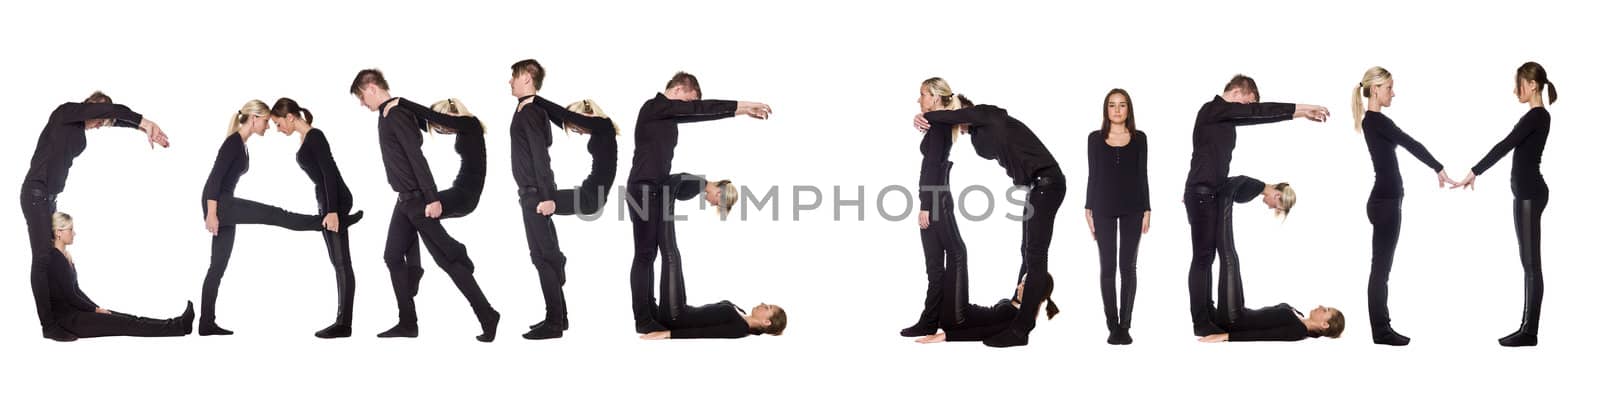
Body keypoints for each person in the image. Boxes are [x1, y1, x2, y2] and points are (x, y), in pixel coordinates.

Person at [350, 69, 499, 342]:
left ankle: (486, 312)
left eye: (361, 96)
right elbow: (427, 123)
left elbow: (416, 157)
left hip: (419, 197)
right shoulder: (389, 115)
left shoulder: (395, 114)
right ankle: (408, 321)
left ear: (370, 87)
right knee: (393, 256)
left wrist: (431, 198)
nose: (362, 103)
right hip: (404, 198)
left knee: (447, 260)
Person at [1184, 75, 1330, 337]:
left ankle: (1208, 314)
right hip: (1202, 193)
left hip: (1206, 192)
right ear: (1239, 92)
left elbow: (1258, 116)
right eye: (1248, 103)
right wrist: (1303, 108)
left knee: (1207, 258)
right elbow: (1258, 111)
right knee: (1203, 259)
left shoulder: (1224, 117)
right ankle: (1201, 320)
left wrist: (1298, 116)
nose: (1247, 110)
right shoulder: (1214, 109)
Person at [627, 72, 771, 334]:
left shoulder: (666, 114)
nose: (689, 108)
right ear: (681, 89)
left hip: (652, 189)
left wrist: (737, 113)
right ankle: (643, 318)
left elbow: (698, 113)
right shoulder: (655, 106)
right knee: (645, 255)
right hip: (644, 188)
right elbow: (699, 109)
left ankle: (650, 313)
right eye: (689, 101)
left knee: (649, 254)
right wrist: (743, 106)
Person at [915, 96, 1063, 348]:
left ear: (966, 110)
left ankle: (1021, 329)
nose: (955, 119)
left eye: (956, 113)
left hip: (1047, 183)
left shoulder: (987, 114)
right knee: (1027, 253)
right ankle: (1022, 312)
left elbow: (954, 116)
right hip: (1035, 188)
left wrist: (926, 116)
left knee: (1035, 256)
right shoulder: (976, 135)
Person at [22, 91, 169, 341]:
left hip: (49, 198)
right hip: (36, 192)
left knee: (58, 256)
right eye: (100, 117)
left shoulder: (80, 126)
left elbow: (116, 119)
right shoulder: (66, 112)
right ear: (91, 106)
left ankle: (66, 309)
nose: (100, 125)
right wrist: (144, 121)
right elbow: (112, 113)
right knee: (43, 258)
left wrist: (140, 129)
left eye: (103, 122)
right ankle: (48, 325)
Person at [198, 100, 337, 336]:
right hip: (220, 204)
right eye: (265, 122)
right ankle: (320, 222)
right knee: (274, 214)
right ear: (254, 118)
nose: (268, 126)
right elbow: (214, 179)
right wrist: (211, 214)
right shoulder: (233, 143)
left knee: (217, 265)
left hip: (223, 204)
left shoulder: (240, 143)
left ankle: (206, 323)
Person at [1453, 62, 1557, 347]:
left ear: (1532, 85)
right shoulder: (1534, 117)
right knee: (1529, 264)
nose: (1515, 90)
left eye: (1519, 84)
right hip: (1527, 194)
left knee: (1531, 266)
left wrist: (1474, 171)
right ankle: (1527, 329)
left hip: (1530, 195)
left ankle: (1529, 332)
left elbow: (1505, 145)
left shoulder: (1537, 116)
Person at [1350, 67, 1454, 346]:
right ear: (1375, 90)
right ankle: (1381, 331)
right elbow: (1411, 143)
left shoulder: (1373, 121)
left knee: (1381, 270)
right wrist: (1438, 167)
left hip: (1384, 201)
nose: (1393, 93)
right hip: (1385, 203)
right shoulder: (1376, 120)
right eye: (1389, 88)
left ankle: (1381, 329)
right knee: (1380, 271)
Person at [1198, 175, 1345, 343]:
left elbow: (1262, 336)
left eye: (1325, 309)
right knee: (1231, 259)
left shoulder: (1298, 331)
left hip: (1234, 321)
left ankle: (1224, 197)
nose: (1320, 306)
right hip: (1239, 312)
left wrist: (1226, 337)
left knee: (1229, 257)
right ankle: (1214, 199)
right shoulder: (1300, 318)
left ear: (1324, 325)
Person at [636, 173, 783, 340]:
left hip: (676, 317)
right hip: (681, 309)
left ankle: (667, 193)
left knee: (671, 254)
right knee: (670, 254)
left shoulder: (739, 329)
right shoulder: (741, 313)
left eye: (768, 307)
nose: (764, 303)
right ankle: (666, 195)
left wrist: (667, 335)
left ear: (766, 322)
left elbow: (703, 333)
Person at [269, 97, 365, 338]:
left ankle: (344, 324)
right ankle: (347, 220)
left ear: (290, 117)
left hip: (336, 201)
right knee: (337, 263)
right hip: (327, 201)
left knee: (342, 264)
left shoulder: (315, 136)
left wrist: (333, 211)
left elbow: (329, 173)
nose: (278, 130)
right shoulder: (306, 138)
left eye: (279, 124)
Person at [46, 212, 193, 339]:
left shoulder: (65, 256)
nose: (74, 233)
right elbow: (71, 296)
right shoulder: (56, 259)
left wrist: (96, 307)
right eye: (70, 229)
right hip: (70, 320)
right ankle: (179, 326)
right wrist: (95, 310)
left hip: (78, 312)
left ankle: (179, 325)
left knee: (130, 319)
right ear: (58, 232)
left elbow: (77, 290)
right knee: (128, 324)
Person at [900, 77, 969, 338]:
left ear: (936, 97)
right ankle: (930, 320)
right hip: (934, 197)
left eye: (923, 95)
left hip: (936, 198)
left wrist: (927, 205)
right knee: (934, 264)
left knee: (956, 253)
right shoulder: (939, 123)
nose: (919, 99)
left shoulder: (940, 124)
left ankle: (955, 316)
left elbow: (934, 167)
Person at [1083, 88, 1150, 345]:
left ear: (1129, 109)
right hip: (1103, 207)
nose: (1117, 110)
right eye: (1112, 105)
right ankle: (1112, 325)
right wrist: (1088, 208)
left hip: (1134, 207)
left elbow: (1143, 174)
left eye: (1122, 105)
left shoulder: (1140, 138)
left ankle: (1126, 324)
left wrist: (1147, 209)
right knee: (1108, 267)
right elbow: (1093, 175)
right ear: (1106, 109)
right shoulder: (1094, 138)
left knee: (1128, 267)